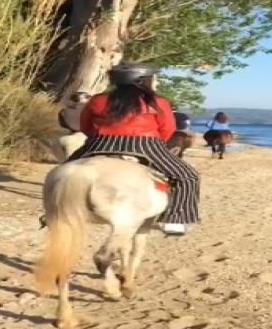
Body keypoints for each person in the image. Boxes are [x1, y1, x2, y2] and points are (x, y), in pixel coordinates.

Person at [69, 63, 201, 236]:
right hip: (145, 145)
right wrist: (156, 144)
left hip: (100, 143)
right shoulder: (157, 101)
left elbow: (85, 126)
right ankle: (174, 221)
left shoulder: (98, 99)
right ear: (142, 80)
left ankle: (53, 213)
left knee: (62, 173)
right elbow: (167, 128)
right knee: (188, 176)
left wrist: (99, 138)